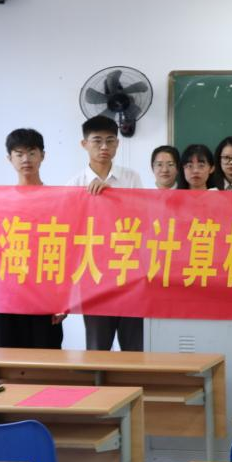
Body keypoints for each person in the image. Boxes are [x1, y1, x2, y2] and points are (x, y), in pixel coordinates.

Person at [0, 128, 64, 349]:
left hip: (45, 295)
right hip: (7, 295)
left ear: (43, 156)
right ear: (10, 158)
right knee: (8, 360)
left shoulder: (59, 199)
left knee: (47, 359)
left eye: (32, 153)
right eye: (19, 154)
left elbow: (67, 250)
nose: (26, 159)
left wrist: (64, 301)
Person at [66, 116, 145, 352]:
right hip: (93, 274)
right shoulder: (74, 185)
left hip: (129, 272)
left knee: (134, 347)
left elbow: (141, 220)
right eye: (97, 141)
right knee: (97, 347)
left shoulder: (131, 178)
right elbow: (70, 230)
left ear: (117, 144)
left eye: (110, 141)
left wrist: (114, 198)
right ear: (84, 144)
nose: (104, 147)